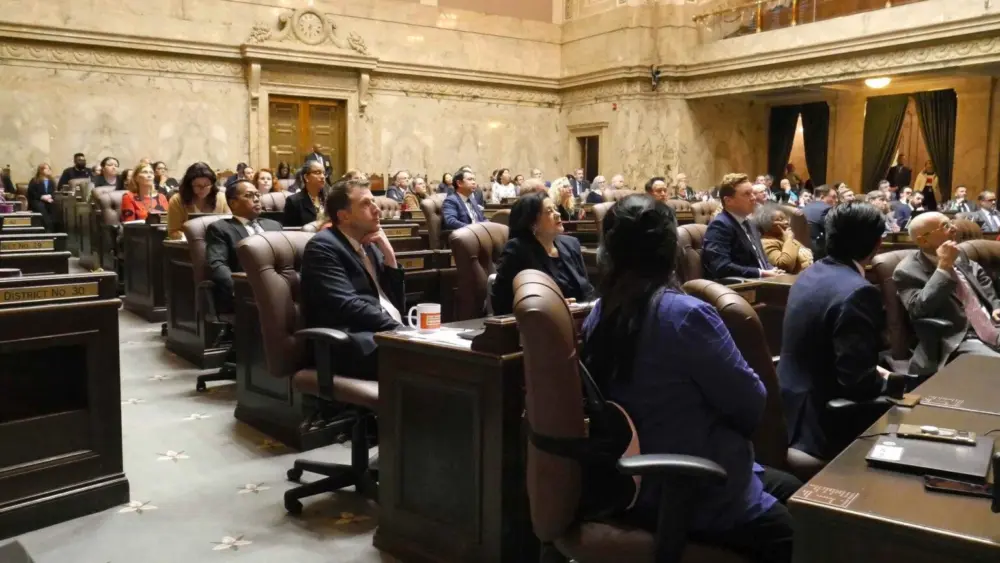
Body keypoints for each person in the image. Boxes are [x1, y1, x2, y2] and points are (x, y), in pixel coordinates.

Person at [582, 194, 799, 563]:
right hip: (694, 486)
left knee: (792, 486)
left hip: (628, 480)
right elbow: (751, 405)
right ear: (672, 250)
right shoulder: (687, 315)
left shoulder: (600, 310)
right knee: (806, 532)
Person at [779, 202, 906, 460]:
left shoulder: (810, 273)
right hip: (823, 425)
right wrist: (888, 382)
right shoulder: (858, 291)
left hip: (787, 410)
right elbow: (856, 383)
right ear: (877, 244)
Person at [300, 178, 405, 380]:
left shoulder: (369, 244)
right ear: (344, 216)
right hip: (353, 343)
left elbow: (394, 304)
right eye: (366, 204)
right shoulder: (323, 246)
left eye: (373, 202)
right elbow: (347, 304)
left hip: (383, 335)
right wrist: (399, 330)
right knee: (433, 364)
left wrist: (390, 257)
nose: (377, 209)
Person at [893, 212, 1000, 375]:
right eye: (945, 226)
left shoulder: (960, 254)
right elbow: (918, 309)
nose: (954, 228)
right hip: (961, 337)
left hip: (992, 326)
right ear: (923, 240)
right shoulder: (906, 271)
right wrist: (943, 268)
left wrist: (996, 306)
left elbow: (982, 280)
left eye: (951, 223)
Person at [491, 191, 594, 315]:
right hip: (540, 324)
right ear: (532, 222)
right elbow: (503, 302)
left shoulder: (571, 244)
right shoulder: (517, 250)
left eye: (555, 209)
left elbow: (587, 290)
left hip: (580, 319)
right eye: (550, 211)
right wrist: (552, 306)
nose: (558, 214)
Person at [204, 179, 283, 313]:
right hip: (247, 293)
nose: (257, 199)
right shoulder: (221, 229)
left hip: (279, 288)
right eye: (249, 196)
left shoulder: (274, 225)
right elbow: (217, 265)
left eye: (257, 195)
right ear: (233, 203)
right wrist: (240, 289)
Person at [703, 173, 783, 280]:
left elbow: (761, 259)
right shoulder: (720, 226)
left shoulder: (750, 223)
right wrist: (761, 273)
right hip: (740, 288)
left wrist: (772, 270)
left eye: (753, 193)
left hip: (764, 282)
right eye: (747, 194)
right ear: (728, 201)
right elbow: (721, 266)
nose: (753, 198)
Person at [166, 162, 230, 240]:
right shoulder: (177, 200)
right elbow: (173, 232)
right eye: (198, 185)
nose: (202, 189)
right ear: (189, 185)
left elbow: (229, 226)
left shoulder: (221, 198)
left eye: (206, 185)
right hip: (187, 247)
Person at [754, 204, 813, 274]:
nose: (786, 222)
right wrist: (788, 240)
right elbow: (785, 265)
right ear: (766, 224)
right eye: (780, 220)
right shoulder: (766, 243)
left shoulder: (786, 237)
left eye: (786, 218)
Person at [283, 161, 327, 227]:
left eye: (324, 173)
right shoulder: (294, 201)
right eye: (318, 173)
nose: (323, 176)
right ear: (306, 177)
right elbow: (290, 231)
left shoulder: (330, 198)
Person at [803, 184, 838, 258]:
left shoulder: (805, 207)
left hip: (803, 248)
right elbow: (836, 231)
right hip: (819, 252)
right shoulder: (827, 209)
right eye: (834, 197)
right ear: (822, 197)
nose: (837, 200)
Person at [26, 163, 56, 231]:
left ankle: (54, 229)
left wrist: (50, 196)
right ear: (41, 170)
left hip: (49, 199)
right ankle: (48, 227)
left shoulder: (51, 181)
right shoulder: (34, 180)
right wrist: (41, 197)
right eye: (46, 168)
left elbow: (54, 192)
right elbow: (31, 193)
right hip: (37, 200)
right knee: (40, 206)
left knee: (54, 206)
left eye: (49, 168)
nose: (49, 170)